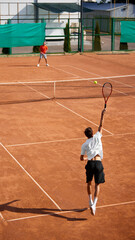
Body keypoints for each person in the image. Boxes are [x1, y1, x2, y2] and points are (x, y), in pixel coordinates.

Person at [80, 109, 106, 216]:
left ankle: (90, 201)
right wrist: (102, 114)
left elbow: (81, 158)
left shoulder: (84, 144)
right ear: (92, 133)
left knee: (89, 183)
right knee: (97, 184)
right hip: (98, 163)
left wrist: (87, 159)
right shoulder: (97, 136)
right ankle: (94, 204)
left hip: (90, 164)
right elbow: (101, 125)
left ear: (86, 135)